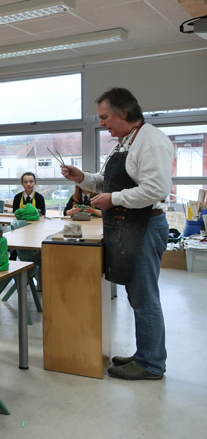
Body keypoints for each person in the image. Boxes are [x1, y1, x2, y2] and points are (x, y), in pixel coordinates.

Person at [61, 87, 172, 381]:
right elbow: (108, 181)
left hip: (145, 226)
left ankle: (151, 364)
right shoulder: (126, 142)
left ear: (125, 112)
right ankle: (145, 354)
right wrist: (82, 178)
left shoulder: (151, 141)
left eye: (105, 117)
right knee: (137, 296)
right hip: (129, 225)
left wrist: (114, 199)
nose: (102, 123)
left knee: (144, 297)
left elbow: (155, 190)